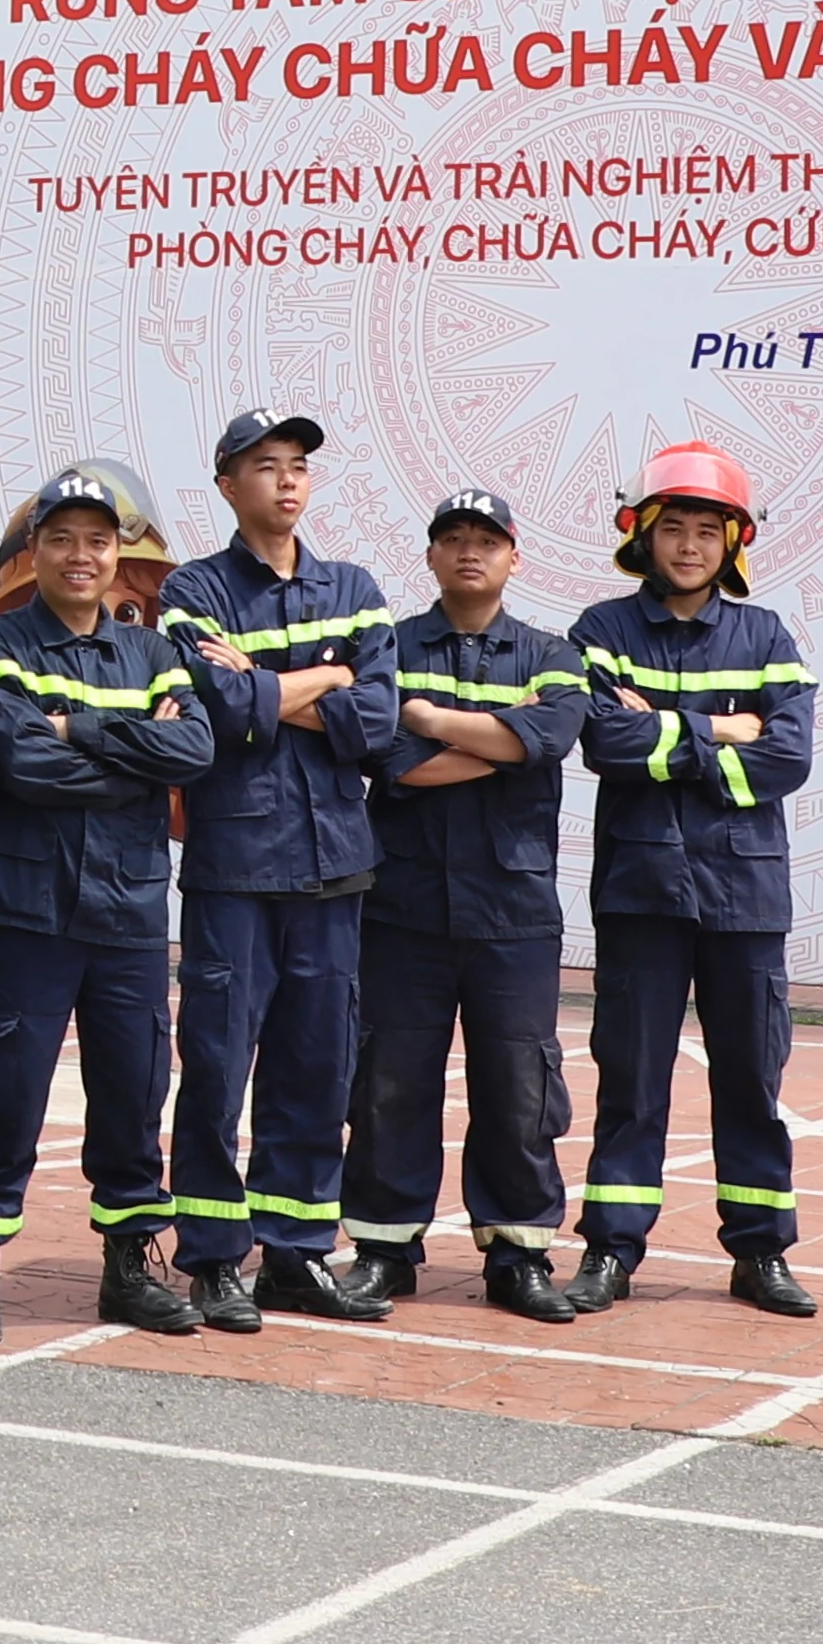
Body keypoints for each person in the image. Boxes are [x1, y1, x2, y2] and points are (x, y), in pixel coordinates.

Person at [0, 467, 217, 1346]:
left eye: (99, 540)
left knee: (134, 1091)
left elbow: (196, 749)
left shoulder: (155, 649)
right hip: (29, 908)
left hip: (128, 911)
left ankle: (129, 1268)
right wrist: (135, 748)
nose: (82, 556)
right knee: (7, 1092)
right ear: (35, 552)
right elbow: (23, 764)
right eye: (62, 538)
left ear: (119, 552)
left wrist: (78, 728)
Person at [156, 409, 407, 1329]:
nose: (289, 483)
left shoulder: (356, 587)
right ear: (229, 484)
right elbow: (218, 711)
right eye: (267, 467)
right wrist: (328, 678)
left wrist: (276, 683)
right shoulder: (195, 588)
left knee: (317, 1065)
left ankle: (297, 1252)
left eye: (299, 467)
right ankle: (217, 1256)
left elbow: (379, 723)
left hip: (334, 868)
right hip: (237, 868)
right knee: (218, 1066)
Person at [569, 441, 822, 1319]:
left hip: (744, 897)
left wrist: (671, 733)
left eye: (706, 530)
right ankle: (611, 1248)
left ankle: (761, 1254)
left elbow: (789, 758)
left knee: (752, 1079)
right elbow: (608, 744)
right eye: (671, 526)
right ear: (640, 534)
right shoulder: (601, 633)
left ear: (734, 542)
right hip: (641, 892)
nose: (687, 544)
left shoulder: (768, 636)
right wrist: (723, 729)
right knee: (631, 1078)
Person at [342, 489, 592, 1326]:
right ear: (431, 556)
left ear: (515, 557)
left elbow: (551, 737)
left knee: (520, 1088)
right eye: (452, 539)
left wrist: (437, 720)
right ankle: (383, 1249)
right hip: (402, 903)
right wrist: (502, 737)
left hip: (512, 911)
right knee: (388, 1082)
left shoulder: (554, 653)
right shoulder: (389, 646)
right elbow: (391, 757)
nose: (469, 552)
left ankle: (518, 1256)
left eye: (487, 540)